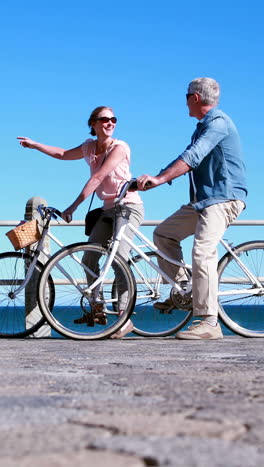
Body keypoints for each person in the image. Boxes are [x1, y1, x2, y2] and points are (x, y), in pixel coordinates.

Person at [17, 106, 144, 338]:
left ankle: (124, 319)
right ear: (93, 124)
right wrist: (35, 145)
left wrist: (73, 206)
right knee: (89, 258)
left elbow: (98, 177)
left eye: (113, 119)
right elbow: (63, 154)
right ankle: (98, 310)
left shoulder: (120, 147)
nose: (110, 123)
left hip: (128, 207)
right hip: (107, 209)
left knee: (118, 261)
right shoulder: (88, 147)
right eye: (104, 119)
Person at [137, 77, 247, 340]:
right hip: (202, 201)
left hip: (223, 198)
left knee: (203, 251)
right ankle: (185, 290)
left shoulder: (218, 123)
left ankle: (210, 321)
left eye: (186, 96)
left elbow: (194, 156)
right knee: (164, 234)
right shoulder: (201, 128)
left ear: (195, 98)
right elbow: (184, 157)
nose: (184, 101)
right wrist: (156, 177)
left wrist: (160, 180)